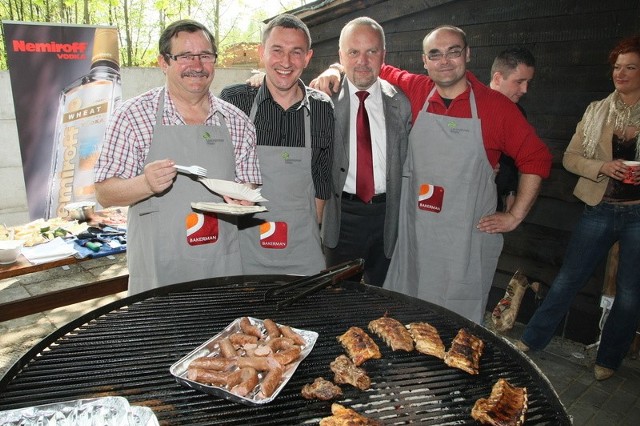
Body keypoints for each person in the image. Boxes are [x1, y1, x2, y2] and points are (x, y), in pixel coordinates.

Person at [311, 25, 552, 324]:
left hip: (464, 239)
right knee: (405, 311)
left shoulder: (496, 107)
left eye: (453, 52)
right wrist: (333, 69)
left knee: (455, 322)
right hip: (416, 235)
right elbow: (365, 64)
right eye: (435, 54)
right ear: (425, 61)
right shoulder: (416, 90)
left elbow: (537, 158)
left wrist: (515, 215)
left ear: (467, 54)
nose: (445, 61)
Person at [94, 19, 261, 295]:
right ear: (164, 62)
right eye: (184, 56)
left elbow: (250, 186)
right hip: (159, 271)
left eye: (205, 55)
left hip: (221, 268)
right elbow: (104, 193)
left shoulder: (237, 121)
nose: (197, 65)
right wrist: (145, 184)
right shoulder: (133, 116)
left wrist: (245, 195)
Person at [517, 35, 640, 381]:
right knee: (568, 278)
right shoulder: (596, 110)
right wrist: (601, 167)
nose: (622, 73)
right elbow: (571, 158)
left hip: (638, 213)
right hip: (599, 207)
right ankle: (532, 339)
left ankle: (609, 359)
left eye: (631, 67)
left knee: (630, 293)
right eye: (618, 67)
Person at [219, 14, 333, 275]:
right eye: (277, 50)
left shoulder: (322, 107)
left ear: (308, 57)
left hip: (301, 249)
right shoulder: (235, 101)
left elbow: (322, 180)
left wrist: (304, 231)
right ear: (262, 53)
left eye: (296, 52)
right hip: (244, 250)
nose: (286, 61)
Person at [314, 17, 411, 286]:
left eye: (372, 51)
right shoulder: (324, 100)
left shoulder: (400, 103)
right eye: (354, 52)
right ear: (341, 56)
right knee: (336, 295)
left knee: (382, 299)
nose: (363, 60)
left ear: (383, 55)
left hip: (386, 217)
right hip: (341, 215)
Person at [490, 47, 536, 212]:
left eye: (528, 83)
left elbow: (512, 160)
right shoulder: (471, 107)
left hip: (496, 199)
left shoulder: (519, 113)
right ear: (497, 78)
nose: (524, 90)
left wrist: (511, 191)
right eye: (519, 82)